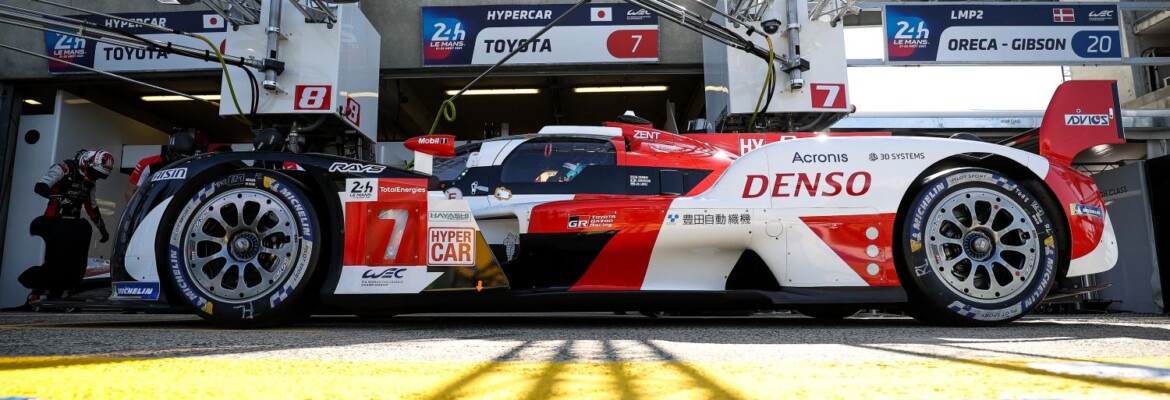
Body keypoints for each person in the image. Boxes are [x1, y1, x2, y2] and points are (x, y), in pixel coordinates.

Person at [21, 149, 114, 305]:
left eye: (99, 175)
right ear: (87, 162)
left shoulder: (90, 182)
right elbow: (40, 186)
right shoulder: (63, 169)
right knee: (55, 260)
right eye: (94, 172)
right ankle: (38, 293)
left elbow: (91, 206)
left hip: (73, 225)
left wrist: (102, 229)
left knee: (74, 262)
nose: (95, 176)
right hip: (54, 221)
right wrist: (57, 197)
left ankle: (65, 292)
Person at [126, 129, 196, 200]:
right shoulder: (147, 164)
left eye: (185, 159)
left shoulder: (193, 167)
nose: (181, 161)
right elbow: (130, 192)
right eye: (177, 157)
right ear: (170, 151)